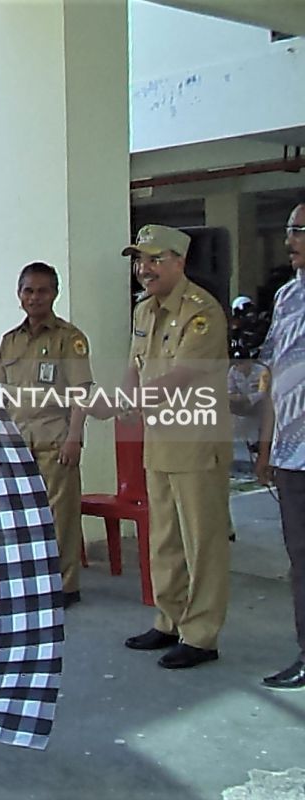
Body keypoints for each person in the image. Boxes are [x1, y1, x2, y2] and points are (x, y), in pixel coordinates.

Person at [100, 224, 233, 669]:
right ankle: (169, 619)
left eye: (155, 260)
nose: (144, 269)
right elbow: (136, 365)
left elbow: (181, 377)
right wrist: (124, 400)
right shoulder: (144, 311)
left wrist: (125, 402)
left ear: (180, 261)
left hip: (195, 439)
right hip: (158, 438)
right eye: (140, 260)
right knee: (163, 537)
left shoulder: (202, 313)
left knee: (202, 539)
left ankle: (201, 635)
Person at [0, 262, 93, 608]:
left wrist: (74, 438)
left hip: (55, 442)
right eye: (28, 291)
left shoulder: (70, 338)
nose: (35, 298)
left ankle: (65, 587)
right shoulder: (10, 340)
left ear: (55, 294)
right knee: (21, 517)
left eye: (43, 290)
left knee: (60, 519)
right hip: (18, 443)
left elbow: (82, 391)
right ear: (19, 295)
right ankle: (29, 581)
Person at [255, 202, 305, 691]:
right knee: (301, 558)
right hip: (293, 454)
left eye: (299, 231)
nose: (289, 239)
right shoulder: (288, 297)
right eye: (288, 229)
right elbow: (272, 376)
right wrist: (266, 445)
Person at [227, 345, 269, 461]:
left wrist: (245, 399)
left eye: (241, 363)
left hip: (260, 405)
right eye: (236, 364)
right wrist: (238, 399)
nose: (238, 367)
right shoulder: (233, 372)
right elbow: (230, 391)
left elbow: (263, 393)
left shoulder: (262, 371)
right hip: (242, 406)